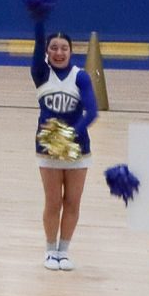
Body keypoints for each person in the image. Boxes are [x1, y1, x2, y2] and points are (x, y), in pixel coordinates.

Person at [29, 16, 96, 271]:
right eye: (53, 48)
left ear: (71, 51)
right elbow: (36, 49)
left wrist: (70, 135)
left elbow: (92, 112)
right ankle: (49, 250)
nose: (59, 53)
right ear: (47, 52)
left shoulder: (81, 77)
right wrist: (39, 21)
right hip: (47, 147)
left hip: (78, 147)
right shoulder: (41, 74)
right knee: (53, 202)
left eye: (64, 48)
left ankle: (64, 250)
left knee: (72, 202)